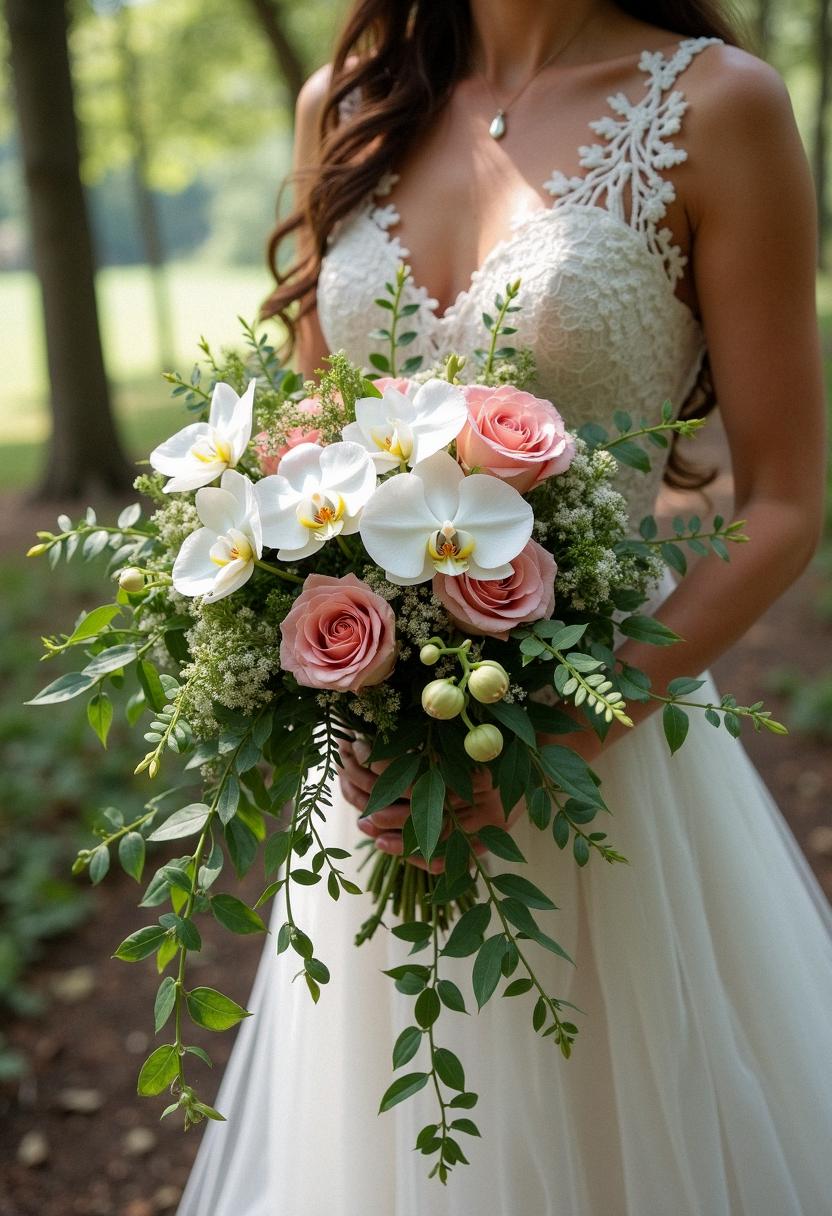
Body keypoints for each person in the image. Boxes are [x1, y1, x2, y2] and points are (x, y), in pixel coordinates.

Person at [176, 3, 832, 1212]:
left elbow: (787, 503)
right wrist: (337, 689)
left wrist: (566, 735)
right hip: (381, 764)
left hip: (606, 743)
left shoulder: (718, 106)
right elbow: (313, 453)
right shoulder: (348, 106)